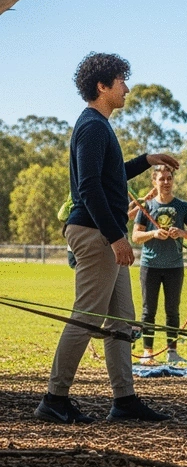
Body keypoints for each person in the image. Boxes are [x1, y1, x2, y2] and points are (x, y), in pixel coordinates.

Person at [35, 53, 179, 424]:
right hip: (95, 232)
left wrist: (147, 159)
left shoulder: (99, 126)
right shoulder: (93, 127)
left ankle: (125, 400)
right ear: (102, 86)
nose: (127, 88)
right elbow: (89, 187)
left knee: (121, 319)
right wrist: (117, 238)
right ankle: (54, 398)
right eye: (121, 81)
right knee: (86, 316)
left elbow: (112, 174)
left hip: (104, 233)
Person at [132, 165, 187, 364]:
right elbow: (136, 236)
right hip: (150, 266)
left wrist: (181, 233)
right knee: (148, 311)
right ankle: (148, 352)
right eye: (161, 179)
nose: (166, 182)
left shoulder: (182, 206)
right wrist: (153, 233)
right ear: (154, 182)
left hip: (174, 266)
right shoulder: (146, 207)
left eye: (169, 178)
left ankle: (172, 351)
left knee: (172, 310)